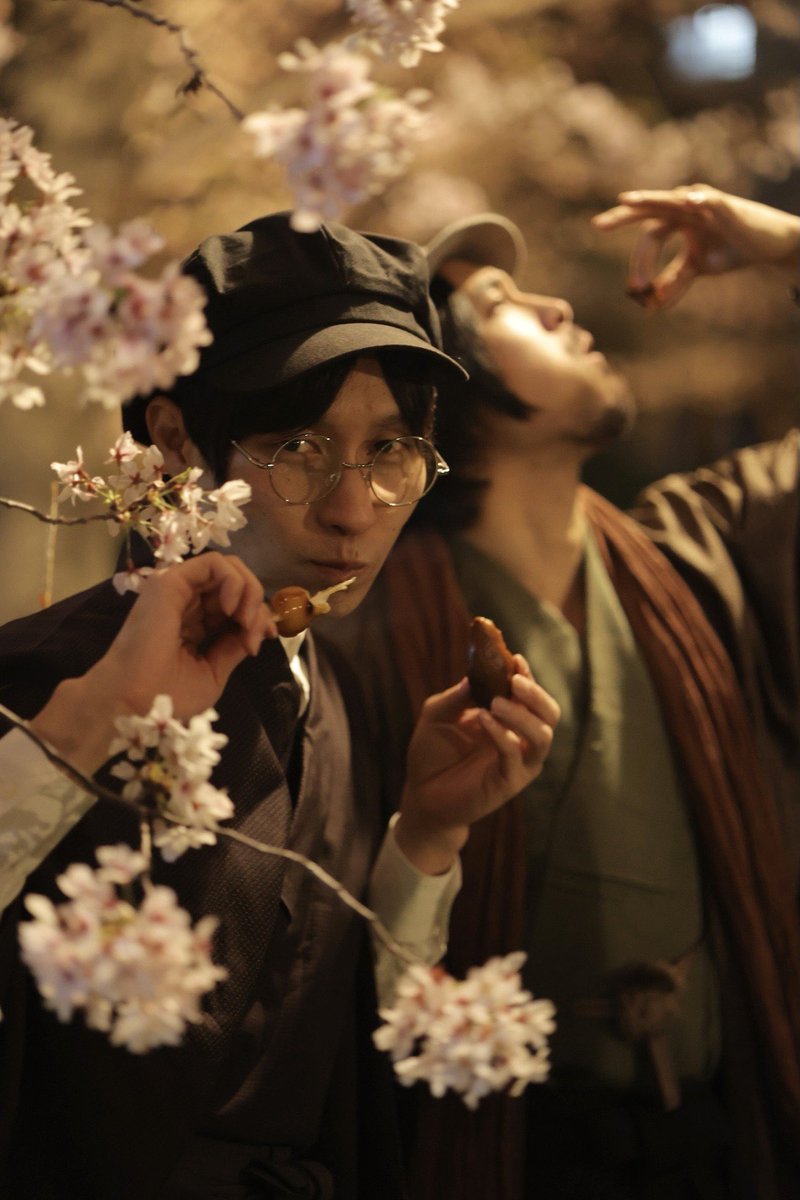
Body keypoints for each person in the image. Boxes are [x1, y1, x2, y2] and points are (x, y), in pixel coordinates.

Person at [0, 214, 560, 1199]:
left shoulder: (335, 697)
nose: (353, 509)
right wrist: (85, 729)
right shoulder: (44, 681)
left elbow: (338, 1054)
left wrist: (423, 836)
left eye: (392, 451)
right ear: (174, 438)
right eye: (297, 447)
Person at [322, 186, 800, 1199]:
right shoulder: (363, 626)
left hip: (718, 1132)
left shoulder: (697, 555)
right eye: (503, 301)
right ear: (446, 385)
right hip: (508, 1148)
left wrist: (788, 248)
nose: (558, 306)